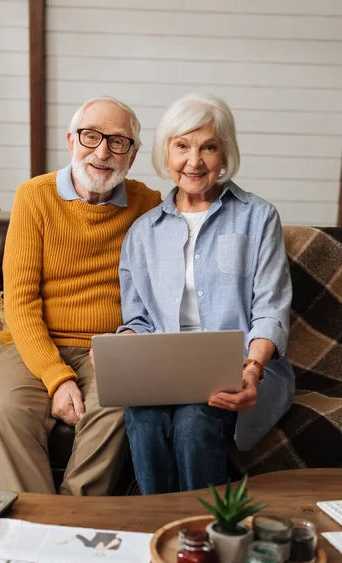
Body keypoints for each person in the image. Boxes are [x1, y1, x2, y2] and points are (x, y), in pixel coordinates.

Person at [0, 96, 161, 563]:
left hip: (112, 344)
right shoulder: (34, 196)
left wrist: (128, 336)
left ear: (132, 153)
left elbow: (160, 291)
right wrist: (57, 376)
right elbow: (19, 300)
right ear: (71, 140)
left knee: (121, 406)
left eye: (119, 141)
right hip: (34, 342)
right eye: (91, 136)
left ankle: (63, 546)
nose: (103, 151)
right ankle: (39, 558)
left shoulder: (149, 203)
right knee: (4, 412)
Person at [117, 93, 295, 495]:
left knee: (195, 421)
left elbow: (270, 309)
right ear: (167, 151)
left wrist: (252, 369)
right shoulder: (143, 232)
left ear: (224, 152)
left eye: (208, 147)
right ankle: (157, 529)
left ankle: (203, 535)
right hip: (165, 370)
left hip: (240, 365)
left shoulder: (259, 217)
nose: (194, 162)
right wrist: (124, 347)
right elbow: (139, 320)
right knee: (142, 420)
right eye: (182, 146)